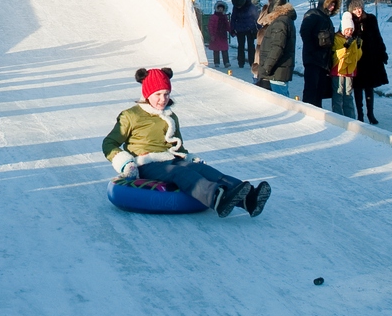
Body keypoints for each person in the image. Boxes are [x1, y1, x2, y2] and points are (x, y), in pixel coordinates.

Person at [103, 68, 271, 217]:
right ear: (147, 94)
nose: (163, 99)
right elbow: (109, 143)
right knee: (181, 174)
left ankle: (249, 199)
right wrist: (126, 163)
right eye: (158, 95)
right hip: (147, 163)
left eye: (166, 94)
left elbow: (178, 145)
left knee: (206, 171)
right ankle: (215, 198)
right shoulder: (131, 116)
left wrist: (189, 158)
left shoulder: (170, 116)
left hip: (172, 158)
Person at [348, 0, 387, 125]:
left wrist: (382, 52)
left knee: (369, 87)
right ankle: (360, 114)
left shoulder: (370, 19)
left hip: (370, 59)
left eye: (359, 8)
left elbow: (377, 36)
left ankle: (370, 113)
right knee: (358, 88)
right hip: (356, 60)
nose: (358, 11)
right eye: (355, 9)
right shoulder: (349, 21)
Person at [300, 0, 342, 108]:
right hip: (313, 59)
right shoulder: (313, 14)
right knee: (311, 89)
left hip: (324, 61)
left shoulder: (326, 18)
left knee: (319, 91)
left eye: (334, 5)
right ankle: (307, 111)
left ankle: (317, 112)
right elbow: (305, 33)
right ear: (324, 2)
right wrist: (313, 49)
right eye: (330, 4)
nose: (332, 7)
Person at [257, 0, 297, 97]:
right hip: (277, 71)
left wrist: (266, 68)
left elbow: (277, 48)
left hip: (276, 73)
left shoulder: (280, 22)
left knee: (279, 102)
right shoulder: (284, 20)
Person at [331, 12, 362, 119]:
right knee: (338, 93)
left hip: (349, 71)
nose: (349, 32)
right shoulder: (337, 38)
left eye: (351, 30)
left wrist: (357, 46)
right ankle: (338, 117)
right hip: (338, 70)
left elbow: (357, 57)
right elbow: (337, 54)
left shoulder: (353, 40)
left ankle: (350, 117)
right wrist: (346, 47)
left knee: (348, 94)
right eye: (347, 29)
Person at [230, 0, 259, 69]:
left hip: (250, 29)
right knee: (241, 46)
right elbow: (233, 18)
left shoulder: (251, 7)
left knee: (251, 46)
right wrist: (232, 29)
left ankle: (252, 62)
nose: (238, 7)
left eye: (239, 6)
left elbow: (256, 18)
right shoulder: (236, 7)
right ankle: (241, 62)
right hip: (240, 29)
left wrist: (259, 28)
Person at [207, 2, 231, 68]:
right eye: (219, 8)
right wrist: (212, 34)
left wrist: (231, 31)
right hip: (216, 35)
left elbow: (227, 25)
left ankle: (226, 62)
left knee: (224, 49)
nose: (220, 10)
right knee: (216, 49)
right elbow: (210, 26)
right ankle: (216, 62)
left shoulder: (224, 17)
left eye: (222, 8)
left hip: (223, 35)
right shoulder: (214, 17)